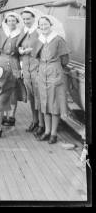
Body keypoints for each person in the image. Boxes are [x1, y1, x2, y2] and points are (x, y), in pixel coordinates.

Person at [34, 15, 70, 144]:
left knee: (54, 103)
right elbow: (36, 56)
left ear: (50, 25)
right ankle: (47, 131)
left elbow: (65, 59)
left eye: (46, 24)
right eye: (41, 25)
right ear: (39, 27)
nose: (43, 27)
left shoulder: (58, 39)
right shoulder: (39, 40)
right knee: (44, 102)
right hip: (42, 72)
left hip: (55, 71)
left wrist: (55, 67)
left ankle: (54, 133)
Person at [0, 12, 27, 127]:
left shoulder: (20, 34)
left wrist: (22, 66)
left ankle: (12, 115)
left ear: (17, 22)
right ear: (6, 22)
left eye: (13, 20)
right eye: (9, 20)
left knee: (13, 89)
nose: (11, 22)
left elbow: (22, 52)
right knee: (2, 88)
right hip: (3, 62)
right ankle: (3, 114)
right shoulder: (2, 33)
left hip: (14, 62)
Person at [17, 7, 45, 134]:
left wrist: (31, 50)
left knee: (39, 96)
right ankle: (34, 121)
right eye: (24, 19)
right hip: (26, 67)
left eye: (28, 19)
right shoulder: (24, 31)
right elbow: (19, 46)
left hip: (36, 66)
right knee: (31, 96)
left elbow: (44, 50)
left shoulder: (39, 32)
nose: (26, 21)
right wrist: (20, 51)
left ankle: (42, 123)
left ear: (34, 18)